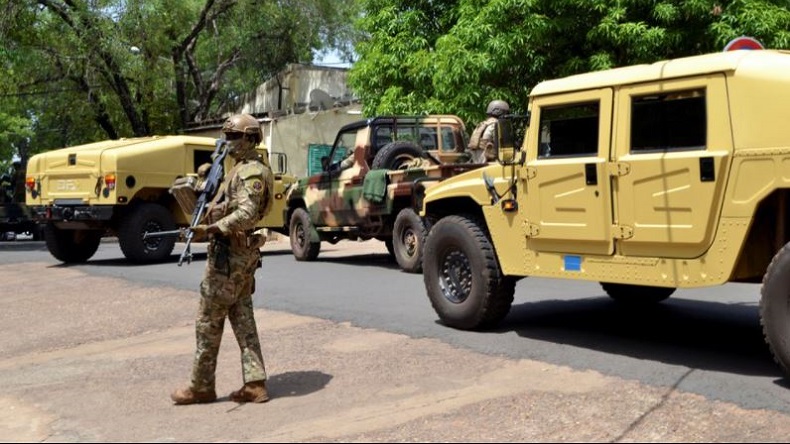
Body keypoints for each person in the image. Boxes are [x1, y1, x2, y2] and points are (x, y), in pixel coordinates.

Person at [170, 113, 274, 405]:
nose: (228, 143)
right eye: (226, 137)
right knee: (242, 319)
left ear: (250, 138)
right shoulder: (239, 169)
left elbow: (247, 213)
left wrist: (217, 227)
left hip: (230, 258)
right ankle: (255, 383)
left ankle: (201, 386)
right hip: (238, 257)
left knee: (207, 320)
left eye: (234, 137)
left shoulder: (251, 172)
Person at [467, 100, 510, 164]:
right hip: (488, 161)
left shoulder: (482, 124)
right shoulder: (496, 124)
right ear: (499, 112)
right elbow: (502, 144)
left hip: (476, 161)